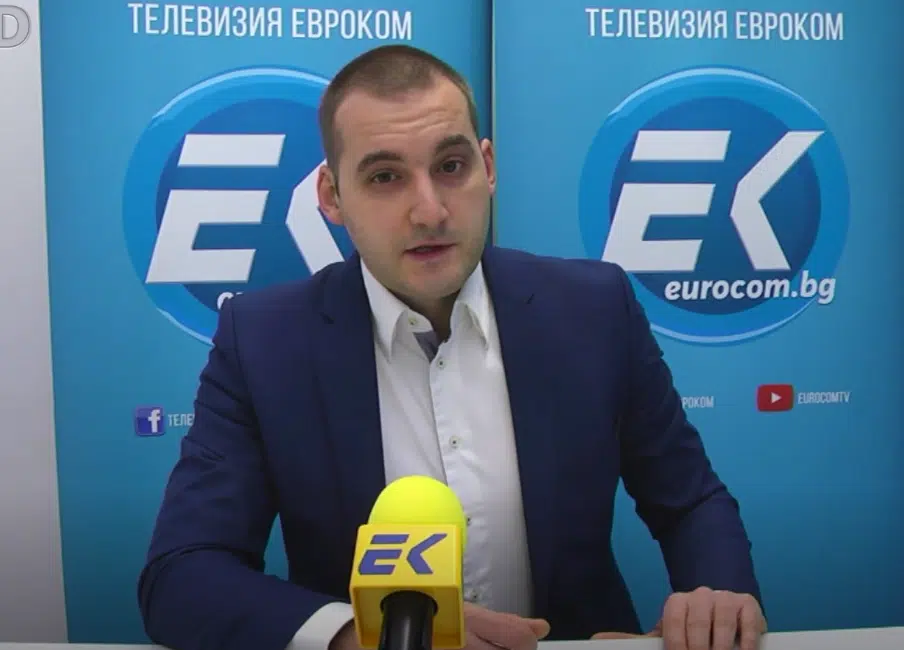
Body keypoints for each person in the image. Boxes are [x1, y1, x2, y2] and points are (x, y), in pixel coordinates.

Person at [138, 44, 767, 650]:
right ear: (331, 197)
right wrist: (356, 635)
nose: (430, 211)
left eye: (451, 166)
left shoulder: (595, 309)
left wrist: (716, 598)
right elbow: (183, 573)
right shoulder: (263, 343)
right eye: (385, 177)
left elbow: (691, 502)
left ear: (487, 168)